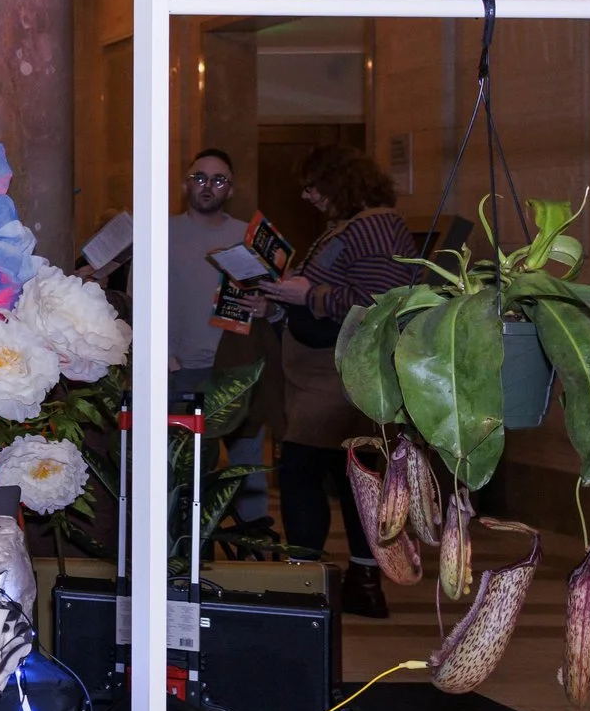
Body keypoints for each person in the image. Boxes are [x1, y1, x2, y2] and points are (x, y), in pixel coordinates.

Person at [259, 144, 413, 618]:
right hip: (323, 373)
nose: (307, 196)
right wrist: (280, 302)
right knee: (346, 478)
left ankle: (317, 579)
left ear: (341, 181)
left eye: (314, 186)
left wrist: (311, 293)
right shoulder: (350, 226)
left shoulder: (375, 226)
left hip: (342, 376)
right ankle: (351, 581)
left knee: (307, 472)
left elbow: (385, 301)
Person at [171, 149, 248, 393]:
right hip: (173, 367)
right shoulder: (161, 233)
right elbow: (136, 297)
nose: (208, 186)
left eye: (218, 180)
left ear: (231, 190)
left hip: (234, 364)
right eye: (200, 178)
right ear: (186, 185)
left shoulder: (247, 236)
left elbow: (269, 301)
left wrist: (269, 307)